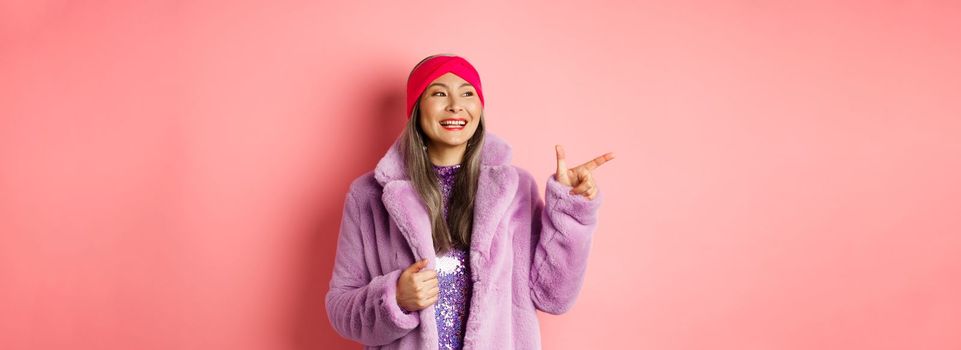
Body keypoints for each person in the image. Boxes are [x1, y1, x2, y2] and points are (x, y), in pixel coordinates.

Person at [325, 53, 614, 349]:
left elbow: (554, 297)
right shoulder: (368, 196)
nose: (455, 105)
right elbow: (340, 308)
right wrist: (395, 299)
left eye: (467, 93)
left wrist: (569, 210)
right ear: (416, 108)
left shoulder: (515, 189)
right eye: (439, 93)